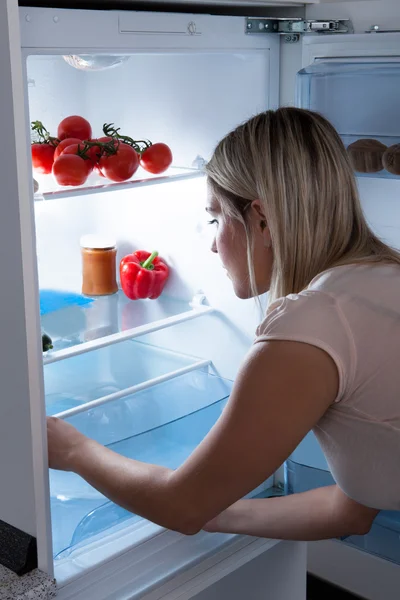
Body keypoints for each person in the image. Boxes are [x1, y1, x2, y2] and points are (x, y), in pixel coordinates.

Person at [47, 107, 400, 542]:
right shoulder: (381, 275)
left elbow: (181, 505)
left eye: (216, 219)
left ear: (262, 220)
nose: (213, 245)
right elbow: (350, 512)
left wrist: (73, 450)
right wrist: (216, 507)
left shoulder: (311, 327)